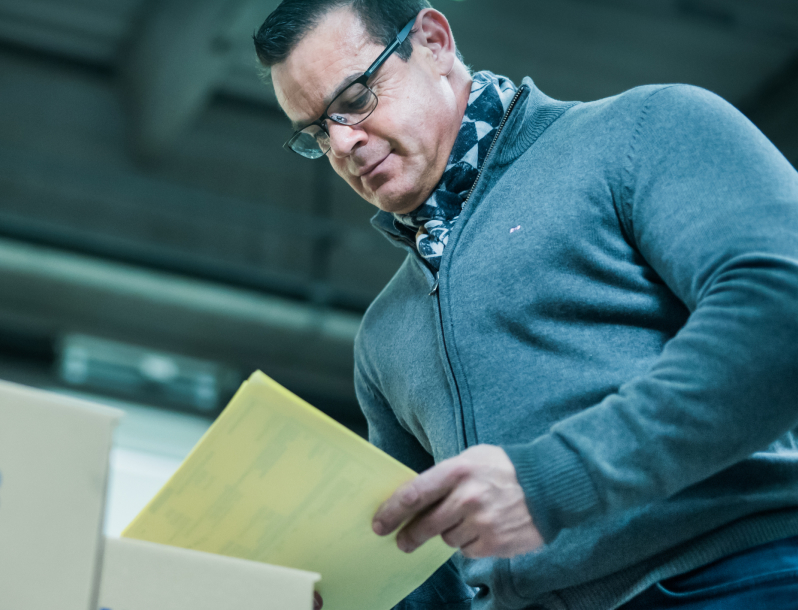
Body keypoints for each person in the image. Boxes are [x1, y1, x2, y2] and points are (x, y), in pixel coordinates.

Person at [253, 1, 798, 608]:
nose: (343, 142)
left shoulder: (641, 130)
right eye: (316, 132)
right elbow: (422, 569)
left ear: (433, 42)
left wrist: (554, 480)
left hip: (732, 580)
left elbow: (780, 310)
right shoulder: (384, 336)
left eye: (355, 98)